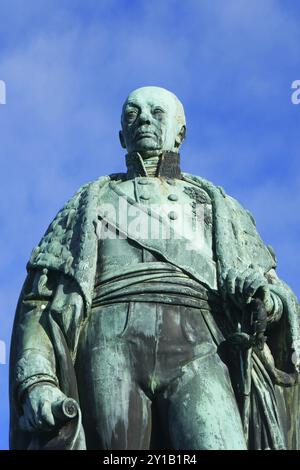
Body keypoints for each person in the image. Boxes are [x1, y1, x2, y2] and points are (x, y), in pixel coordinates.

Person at [10, 86, 299, 450]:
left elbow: (275, 292)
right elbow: (40, 301)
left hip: (202, 345)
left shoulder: (220, 207)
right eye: (133, 113)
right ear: (121, 136)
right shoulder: (87, 203)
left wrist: (264, 302)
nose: (143, 119)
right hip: (108, 343)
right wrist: (36, 379)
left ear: (181, 132)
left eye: (156, 112)